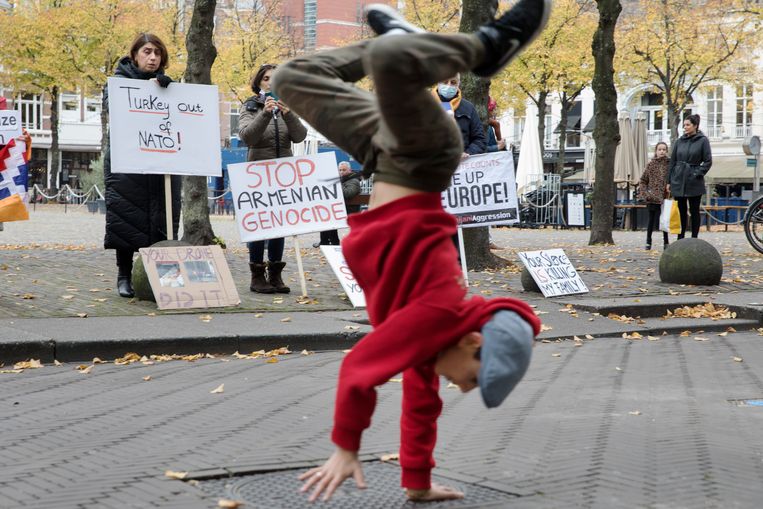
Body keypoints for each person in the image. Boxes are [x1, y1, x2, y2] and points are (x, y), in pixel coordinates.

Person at [272, 0, 550, 502]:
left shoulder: (434, 342)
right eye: (473, 379)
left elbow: (422, 407)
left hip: (383, 157)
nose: (462, 388)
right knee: (395, 63)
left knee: (291, 78)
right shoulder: (437, 315)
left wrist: (417, 485)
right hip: (424, 156)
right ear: (474, 342)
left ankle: (398, 37)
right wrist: (346, 448)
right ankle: (484, 47)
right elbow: (358, 373)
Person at [103, 33, 180, 298]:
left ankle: (163, 277)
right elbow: (112, 108)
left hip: (161, 165)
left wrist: (167, 90)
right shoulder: (117, 83)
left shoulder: (169, 87)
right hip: (128, 166)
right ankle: (124, 275)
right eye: (147, 52)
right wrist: (146, 90)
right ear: (135, 55)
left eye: (158, 53)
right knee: (126, 218)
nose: (153, 57)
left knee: (162, 220)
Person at [238, 64, 308, 294]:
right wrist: (265, 113)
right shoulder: (250, 106)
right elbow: (247, 137)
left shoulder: (288, 106)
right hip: (258, 175)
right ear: (259, 82)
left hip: (283, 175)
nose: (271, 82)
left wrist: (289, 114)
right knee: (259, 225)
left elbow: (299, 137)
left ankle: (275, 274)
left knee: (279, 225)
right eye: (267, 78)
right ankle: (257, 276)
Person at [667, 114, 712, 239]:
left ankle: (694, 238)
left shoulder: (703, 141)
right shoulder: (679, 141)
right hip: (678, 179)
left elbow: (708, 161)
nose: (685, 127)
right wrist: (669, 181)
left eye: (688, 125)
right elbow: (672, 162)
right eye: (684, 125)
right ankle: (680, 237)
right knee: (680, 210)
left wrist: (697, 173)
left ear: (695, 126)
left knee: (694, 210)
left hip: (694, 180)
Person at [435, 73, 486, 158]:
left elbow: (480, 139)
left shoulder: (468, 108)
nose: (449, 85)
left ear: (458, 84)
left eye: (453, 82)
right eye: (445, 81)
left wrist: (468, 153)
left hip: (462, 163)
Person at [318, 161, 362, 246]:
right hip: (341, 209)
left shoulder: (354, 180)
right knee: (326, 215)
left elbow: (348, 194)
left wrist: (337, 183)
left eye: (344, 170)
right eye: (340, 170)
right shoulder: (343, 179)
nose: (341, 172)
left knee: (330, 217)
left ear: (350, 170)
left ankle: (332, 242)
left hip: (349, 210)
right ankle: (325, 242)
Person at [638, 141, 670, 250]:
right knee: (651, 220)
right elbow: (643, 180)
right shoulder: (651, 164)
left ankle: (666, 242)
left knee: (664, 219)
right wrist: (646, 193)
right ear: (656, 151)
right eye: (659, 149)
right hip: (652, 197)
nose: (662, 151)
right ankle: (648, 241)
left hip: (666, 197)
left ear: (666, 151)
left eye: (664, 149)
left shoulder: (669, 164)